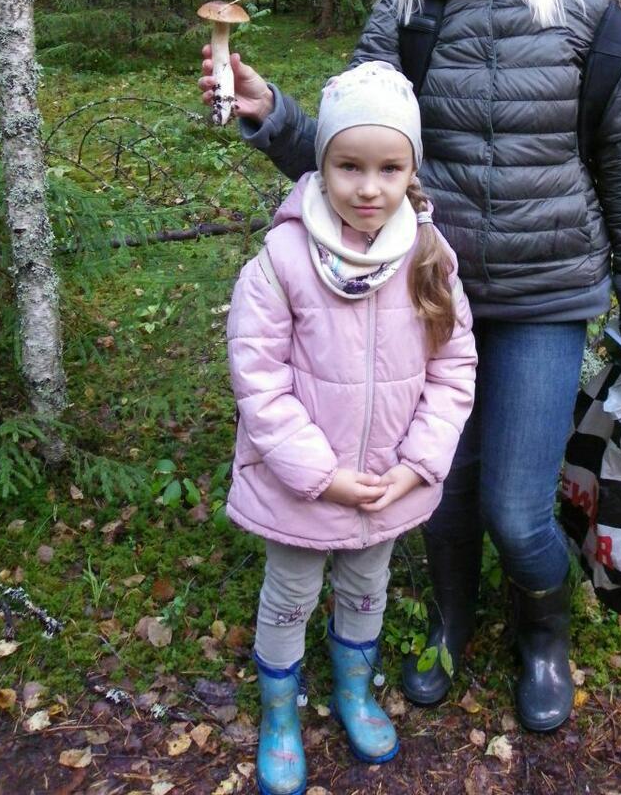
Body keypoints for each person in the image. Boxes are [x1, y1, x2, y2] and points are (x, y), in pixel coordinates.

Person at [202, 0, 621, 736]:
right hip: (423, 293)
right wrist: (272, 113)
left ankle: (542, 635)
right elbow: (355, 152)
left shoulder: (583, 12)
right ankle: (454, 623)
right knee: (436, 493)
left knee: (514, 508)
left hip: (545, 294)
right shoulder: (408, 2)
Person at [226, 60, 476, 795]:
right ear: (322, 164)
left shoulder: (428, 258)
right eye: (349, 166)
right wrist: (320, 474)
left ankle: (354, 691)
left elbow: (454, 368)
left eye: (390, 168)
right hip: (304, 487)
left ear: (411, 170)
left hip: (388, 481)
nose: (369, 188)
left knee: (367, 589)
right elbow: (259, 380)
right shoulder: (282, 260)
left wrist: (417, 464)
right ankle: (280, 714)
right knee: (291, 593)